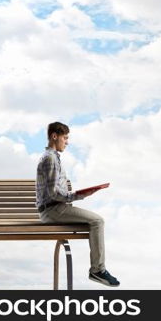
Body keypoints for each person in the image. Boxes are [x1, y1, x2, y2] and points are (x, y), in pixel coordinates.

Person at [35, 121, 120, 287]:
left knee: (95, 221)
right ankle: (97, 270)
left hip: (55, 209)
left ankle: (98, 269)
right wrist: (78, 195)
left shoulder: (52, 157)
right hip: (53, 210)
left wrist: (80, 195)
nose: (67, 142)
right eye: (65, 138)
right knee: (97, 221)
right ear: (54, 136)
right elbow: (53, 194)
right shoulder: (50, 159)